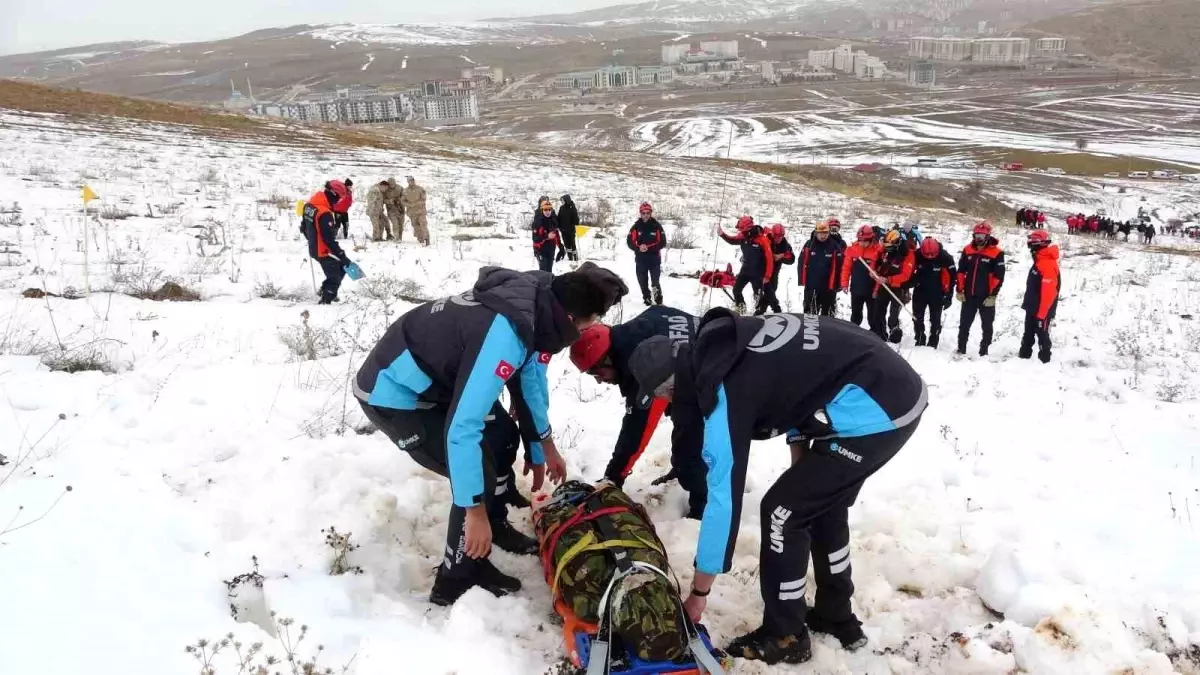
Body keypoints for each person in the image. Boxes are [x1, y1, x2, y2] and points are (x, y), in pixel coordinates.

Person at [625, 309, 927, 665]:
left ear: (675, 383)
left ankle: (785, 635)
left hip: (877, 409)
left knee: (781, 512)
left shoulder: (723, 385)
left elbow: (723, 497)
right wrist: (802, 475)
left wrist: (698, 592)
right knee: (814, 503)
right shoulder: (729, 347)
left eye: (666, 395)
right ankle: (835, 614)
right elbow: (799, 391)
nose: (671, 404)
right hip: (883, 388)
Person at [354, 265, 619, 606]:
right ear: (569, 317)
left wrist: (542, 447)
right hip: (394, 394)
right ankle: (457, 576)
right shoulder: (505, 334)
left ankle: (495, 522)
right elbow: (462, 428)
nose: (585, 332)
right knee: (477, 468)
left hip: (435, 383)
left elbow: (530, 384)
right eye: (587, 324)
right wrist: (473, 510)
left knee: (502, 435)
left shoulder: (535, 308)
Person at [568, 307, 707, 517]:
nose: (598, 379)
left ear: (608, 357)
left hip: (717, 377)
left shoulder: (643, 364)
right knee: (681, 422)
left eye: (597, 372)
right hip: (699, 364)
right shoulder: (640, 327)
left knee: (690, 452)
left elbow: (637, 429)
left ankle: (704, 508)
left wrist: (613, 479)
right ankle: (684, 471)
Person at [301, 180, 354, 305]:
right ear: (333, 194)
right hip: (324, 251)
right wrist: (342, 255)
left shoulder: (309, 205)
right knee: (336, 274)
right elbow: (329, 240)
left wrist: (312, 239)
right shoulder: (324, 213)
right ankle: (326, 301)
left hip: (314, 248)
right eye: (339, 198)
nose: (339, 201)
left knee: (338, 269)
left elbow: (303, 227)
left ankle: (325, 291)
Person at [956, 222, 1005, 356]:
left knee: (987, 326)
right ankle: (961, 349)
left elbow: (999, 276)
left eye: (982, 236)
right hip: (969, 295)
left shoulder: (997, 253)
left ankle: (984, 350)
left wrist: (993, 295)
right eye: (977, 235)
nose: (979, 238)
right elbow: (961, 271)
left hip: (986, 297)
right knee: (964, 324)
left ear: (988, 236)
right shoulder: (967, 250)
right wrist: (959, 289)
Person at [718, 216, 774, 315]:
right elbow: (732, 240)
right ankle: (741, 309)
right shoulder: (742, 237)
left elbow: (769, 259)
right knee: (736, 290)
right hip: (745, 271)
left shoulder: (762, 240)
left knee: (758, 296)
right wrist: (722, 234)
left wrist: (767, 276)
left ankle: (759, 315)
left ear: (749, 228)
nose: (740, 232)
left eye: (742, 230)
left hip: (758, 273)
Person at [1019, 230, 1059, 364]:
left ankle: (1045, 362)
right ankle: (1023, 359)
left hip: (1043, 310)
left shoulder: (1047, 264)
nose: (1030, 246)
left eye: (1031, 243)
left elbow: (1049, 293)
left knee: (1042, 334)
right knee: (1028, 334)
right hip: (1032, 307)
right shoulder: (1040, 260)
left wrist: (1042, 314)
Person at [870, 230, 915, 344]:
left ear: (897, 243)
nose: (887, 248)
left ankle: (894, 338)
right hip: (883, 285)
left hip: (899, 288)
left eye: (889, 246)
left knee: (893, 316)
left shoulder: (908, 254)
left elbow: (905, 275)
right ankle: (879, 335)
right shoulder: (884, 250)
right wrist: (873, 270)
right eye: (885, 246)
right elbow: (876, 258)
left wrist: (889, 279)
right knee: (878, 311)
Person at [912, 237, 956, 348]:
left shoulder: (946, 257)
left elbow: (952, 278)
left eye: (933, 255)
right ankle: (920, 337)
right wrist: (908, 285)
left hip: (937, 292)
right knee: (917, 317)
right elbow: (909, 271)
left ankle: (933, 340)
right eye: (927, 255)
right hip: (920, 291)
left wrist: (949, 296)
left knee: (935, 319)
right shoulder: (916, 255)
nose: (930, 257)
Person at [839, 225, 883, 327]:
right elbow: (846, 268)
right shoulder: (852, 249)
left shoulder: (878, 251)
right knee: (855, 315)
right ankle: (853, 334)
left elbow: (881, 272)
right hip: (856, 289)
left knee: (873, 317)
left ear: (871, 239)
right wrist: (844, 283)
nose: (862, 243)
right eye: (860, 240)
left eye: (865, 241)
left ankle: (875, 334)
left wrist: (876, 290)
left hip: (871, 290)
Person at [627, 202, 666, 305]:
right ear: (640, 213)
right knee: (643, 282)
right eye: (643, 213)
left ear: (650, 213)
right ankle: (647, 299)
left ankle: (658, 302)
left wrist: (648, 248)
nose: (646, 215)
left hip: (654, 260)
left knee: (655, 282)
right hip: (641, 260)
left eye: (648, 213)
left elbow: (662, 242)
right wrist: (638, 248)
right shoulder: (636, 226)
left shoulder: (656, 226)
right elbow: (629, 241)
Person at [798, 222, 841, 317]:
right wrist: (802, 280)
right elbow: (801, 262)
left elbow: (839, 266)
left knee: (828, 315)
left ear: (828, 233)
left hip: (829, 287)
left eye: (825, 233)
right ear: (816, 233)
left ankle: (828, 332)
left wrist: (838, 284)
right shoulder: (809, 244)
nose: (822, 236)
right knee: (810, 314)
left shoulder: (834, 246)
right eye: (820, 233)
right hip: (811, 286)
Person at [764, 224, 795, 314]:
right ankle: (776, 310)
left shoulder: (785, 245)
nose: (777, 239)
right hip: (762, 272)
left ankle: (760, 311)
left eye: (780, 236)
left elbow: (791, 259)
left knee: (770, 292)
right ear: (772, 234)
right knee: (767, 293)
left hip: (774, 273)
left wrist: (781, 256)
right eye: (775, 236)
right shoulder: (765, 240)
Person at [532, 197, 565, 273]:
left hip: (551, 249)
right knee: (543, 270)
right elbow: (535, 239)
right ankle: (542, 284)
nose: (548, 211)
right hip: (540, 250)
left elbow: (556, 235)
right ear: (542, 210)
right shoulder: (537, 222)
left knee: (549, 271)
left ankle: (549, 284)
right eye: (545, 210)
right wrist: (547, 237)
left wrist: (561, 247)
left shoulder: (553, 221)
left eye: (549, 209)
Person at [400, 175, 430, 245]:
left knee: (423, 225)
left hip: (421, 211)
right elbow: (402, 201)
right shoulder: (405, 191)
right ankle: (420, 239)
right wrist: (409, 205)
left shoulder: (420, 189)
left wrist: (416, 203)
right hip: (412, 213)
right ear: (408, 182)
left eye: (412, 180)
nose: (411, 182)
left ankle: (426, 239)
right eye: (410, 181)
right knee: (416, 226)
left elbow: (423, 199)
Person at [558, 195, 580, 262]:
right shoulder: (561, 208)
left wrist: (576, 221)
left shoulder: (572, 208)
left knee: (572, 244)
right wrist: (558, 226)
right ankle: (570, 257)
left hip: (571, 230)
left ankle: (575, 258)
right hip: (563, 230)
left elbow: (576, 221)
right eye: (561, 201)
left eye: (563, 200)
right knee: (566, 245)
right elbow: (559, 218)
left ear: (566, 200)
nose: (562, 202)